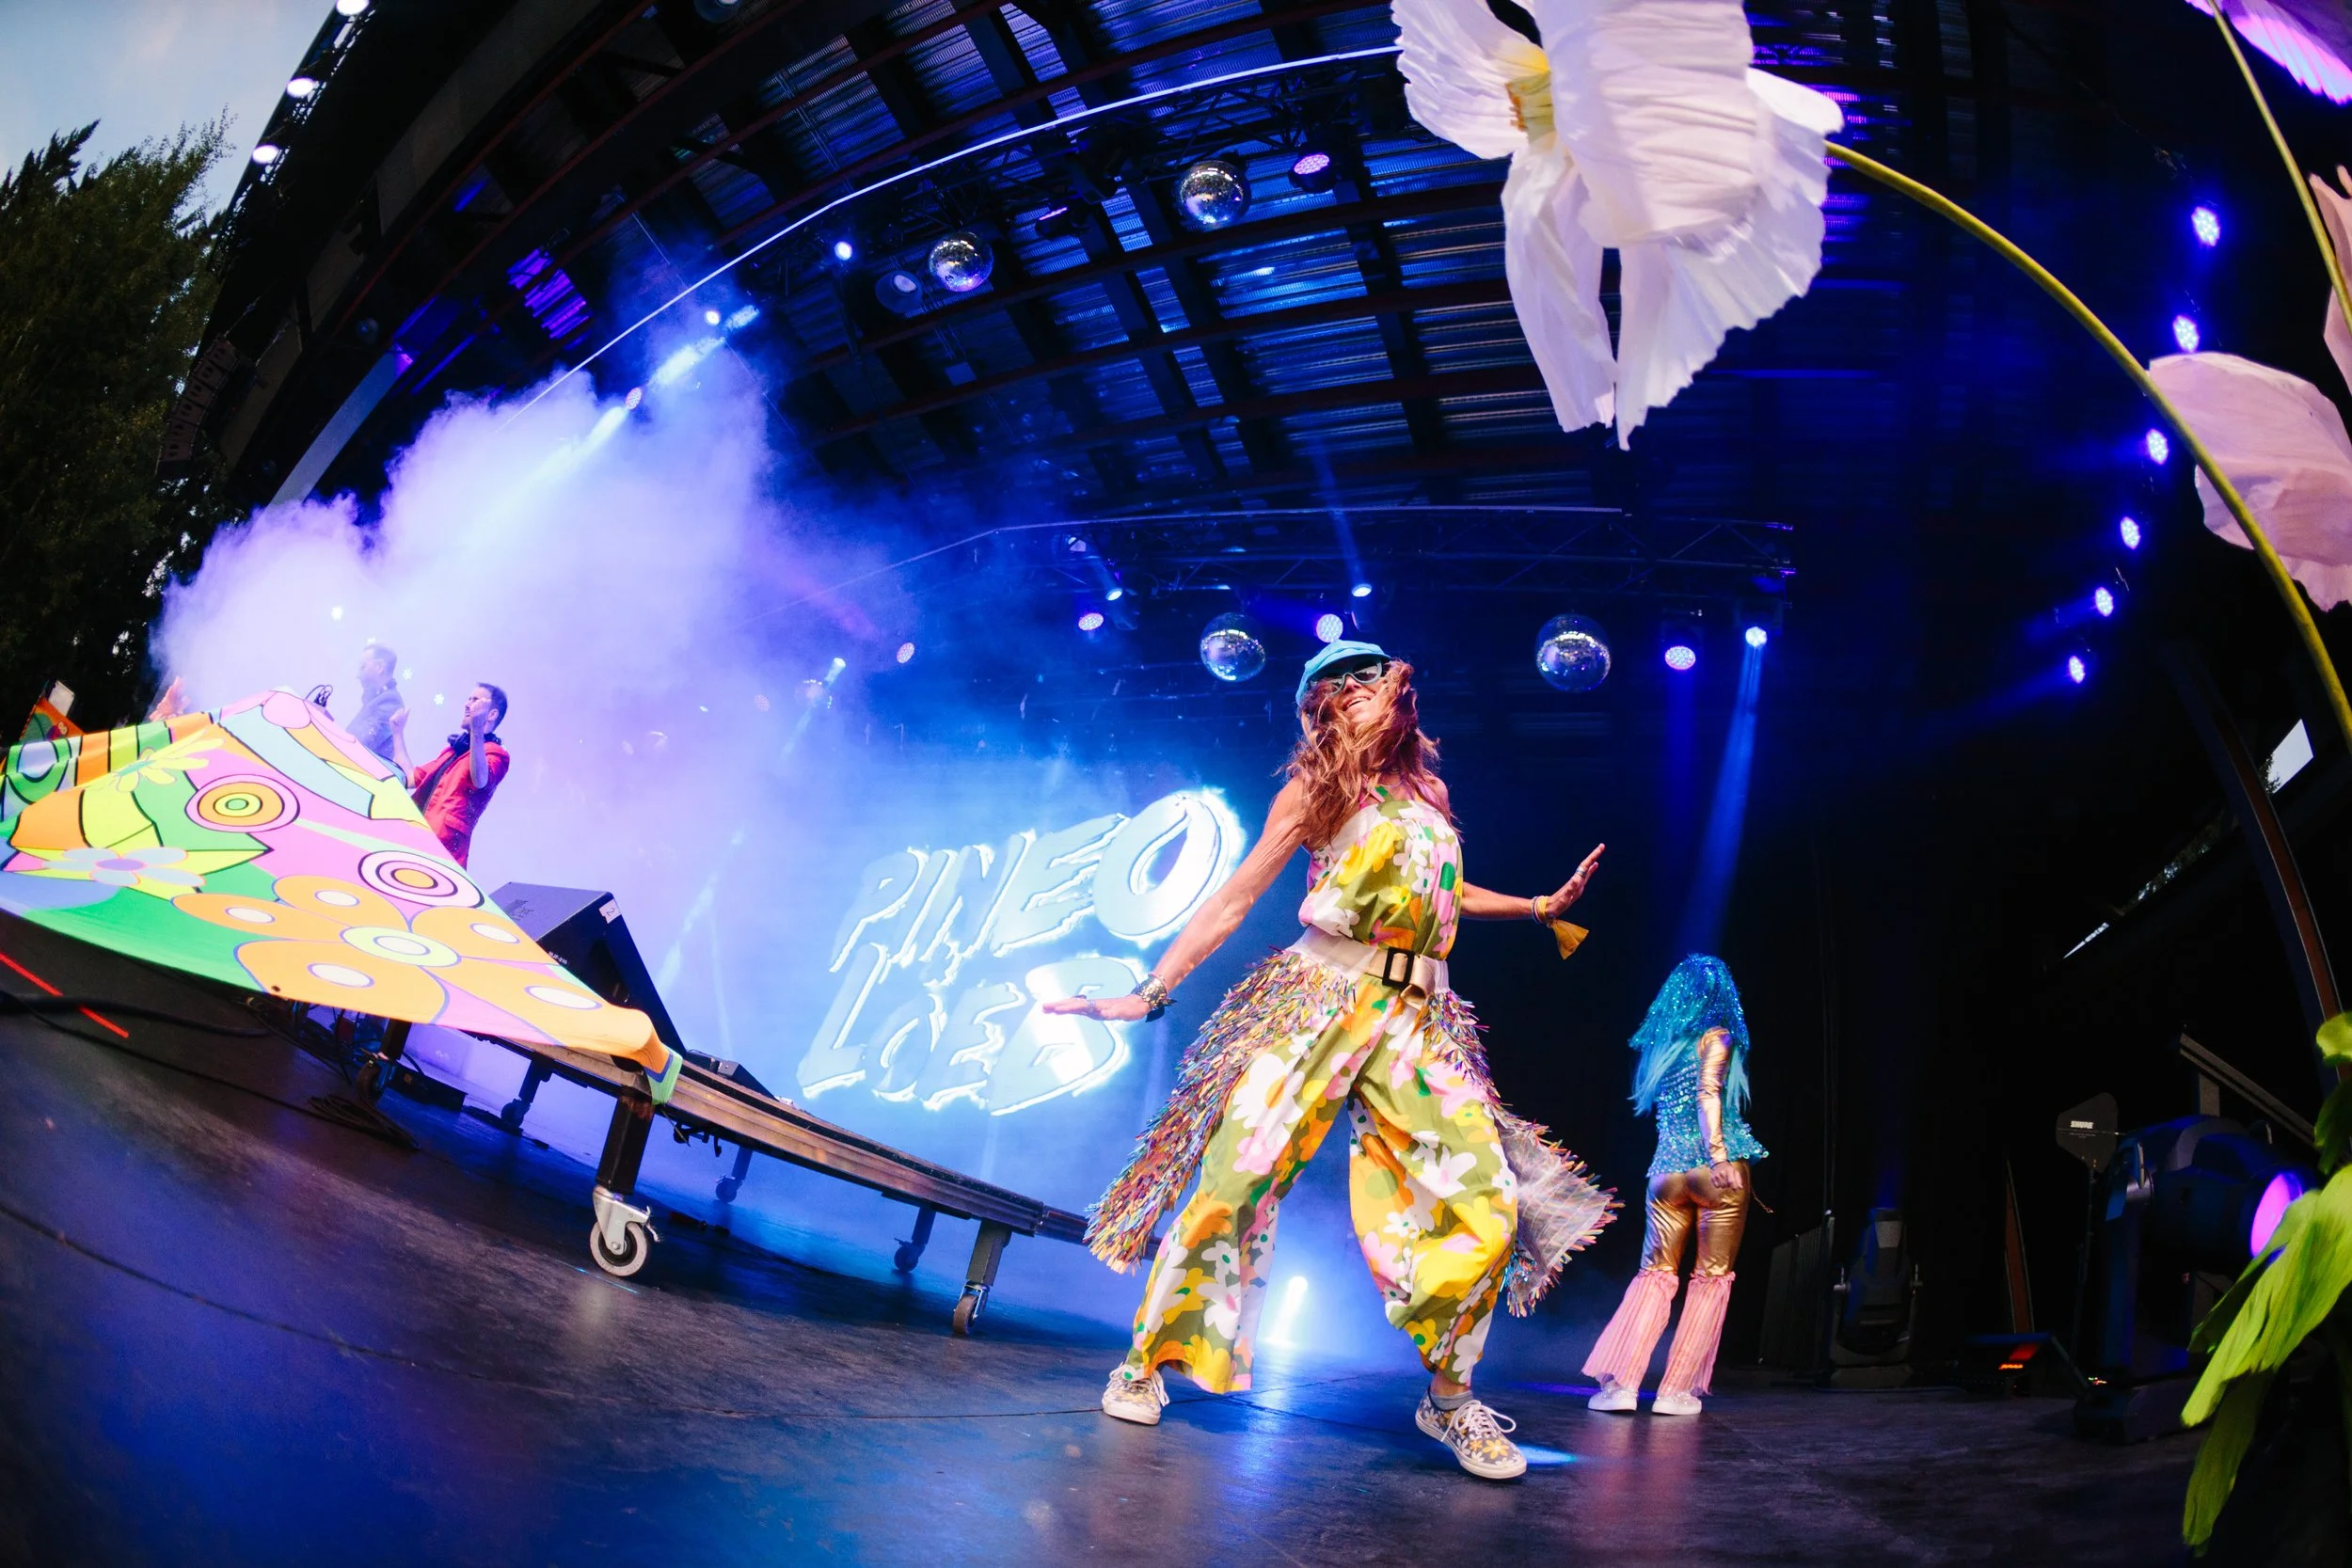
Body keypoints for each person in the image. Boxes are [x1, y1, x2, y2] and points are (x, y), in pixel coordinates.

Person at [1050, 640, 1613, 1481]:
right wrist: (1151, 990)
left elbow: (1444, 892)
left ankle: (1451, 1399)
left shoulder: (1429, 795)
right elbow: (1237, 896)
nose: (1372, 686)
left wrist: (1537, 906)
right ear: (1326, 706)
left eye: (1376, 673)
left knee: (1487, 1199)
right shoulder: (1317, 788)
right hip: (1320, 994)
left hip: (1419, 1017)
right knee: (1237, 1177)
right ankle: (1146, 1361)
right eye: (1350, 682)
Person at [1581, 955, 1767, 1418]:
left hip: (1666, 1174)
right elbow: (1709, 1094)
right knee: (1709, 1279)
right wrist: (1719, 1157)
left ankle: (1622, 1386)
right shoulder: (1717, 1037)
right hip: (1715, 1172)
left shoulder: (1661, 1048)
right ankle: (1675, 1391)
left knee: (1655, 1275)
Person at [392, 684, 510, 868]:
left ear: (491, 714)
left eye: (475, 700)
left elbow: (481, 780)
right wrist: (397, 733)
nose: (467, 704)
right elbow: (409, 778)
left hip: (441, 853)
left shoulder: (497, 754)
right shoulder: (453, 751)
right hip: (414, 838)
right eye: (468, 699)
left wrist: (477, 730)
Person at [346, 644, 403, 765]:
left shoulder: (391, 701)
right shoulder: (378, 697)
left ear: (379, 667)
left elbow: (360, 742)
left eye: (363, 667)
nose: (358, 675)